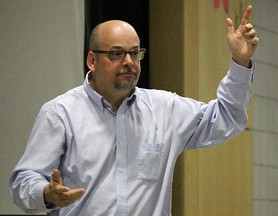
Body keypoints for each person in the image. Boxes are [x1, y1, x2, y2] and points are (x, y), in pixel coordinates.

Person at [9, 5, 259, 216]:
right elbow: (23, 182)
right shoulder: (60, 114)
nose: (129, 62)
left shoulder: (165, 110)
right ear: (92, 60)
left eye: (134, 53)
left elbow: (227, 117)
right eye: (116, 53)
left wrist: (240, 63)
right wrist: (46, 193)